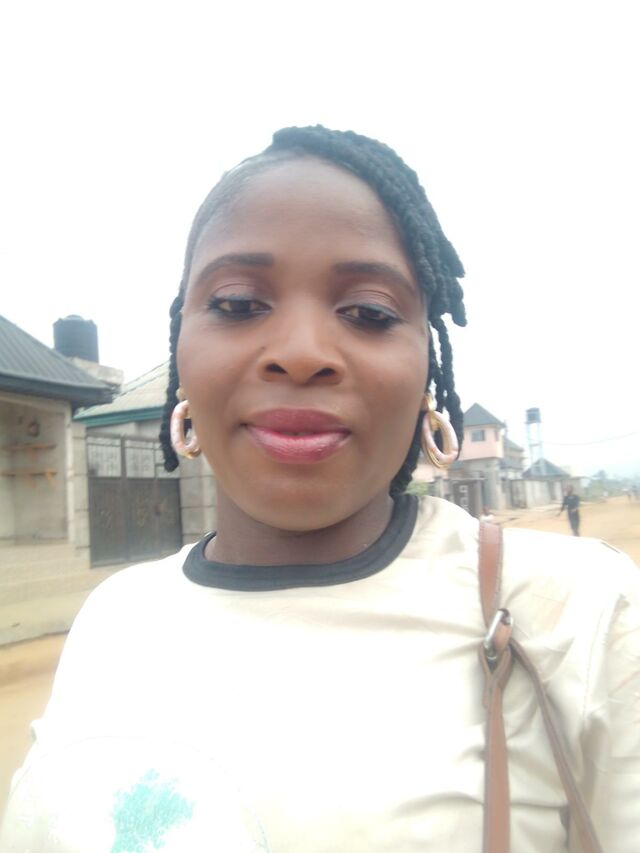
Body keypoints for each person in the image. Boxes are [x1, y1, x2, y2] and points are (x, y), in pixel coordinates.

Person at [2, 126, 639, 852]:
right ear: (180, 350)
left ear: (427, 374)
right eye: (238, 303)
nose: (301, 354)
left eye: (369, 312)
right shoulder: (115, 617)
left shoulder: (578, 613)